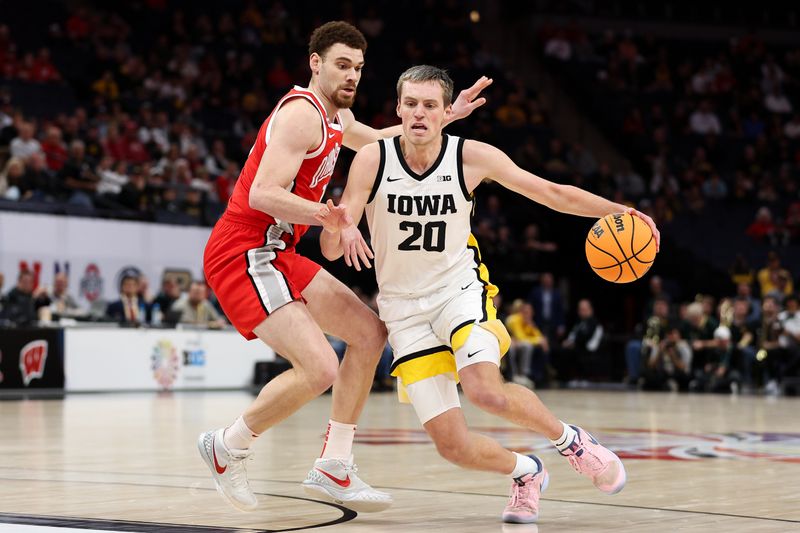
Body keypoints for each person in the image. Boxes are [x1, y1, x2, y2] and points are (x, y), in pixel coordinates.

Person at [319, 65, 660, 524]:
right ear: (398, 109)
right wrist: (338, 227)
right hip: (402, 309)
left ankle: (572, 442)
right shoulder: (371, 160)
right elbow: (332, 246)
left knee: (484, 389)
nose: (420, 114)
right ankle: (527, 473)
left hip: (457, 290)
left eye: (430, 105)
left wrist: (623, 210)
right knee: (452, 445)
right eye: (411, 104)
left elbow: (551, 192)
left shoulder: (472, 157)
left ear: (445, 113)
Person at [197, 22, 491, 514]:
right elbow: (261, 194)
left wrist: (444, 117)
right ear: (315, 64)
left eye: (357, 67)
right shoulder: (301, 115)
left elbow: (381, 140)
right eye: (341, 64)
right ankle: (228, 446)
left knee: (369, 334)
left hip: (278, 251)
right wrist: (326, 216)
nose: (351, 74)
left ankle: (334, 463)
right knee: (319, 367)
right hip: (244, 250)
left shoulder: (338, 118)